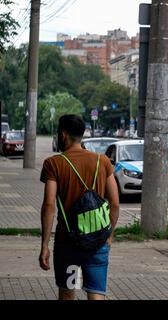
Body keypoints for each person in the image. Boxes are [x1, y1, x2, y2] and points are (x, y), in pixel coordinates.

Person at [39, 114, 120, 300]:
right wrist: (110, 234)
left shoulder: (54, 164)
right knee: (96, 293)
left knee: (67, 293)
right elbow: (114, 203)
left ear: (63, 134)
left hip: (67, 243)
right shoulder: (103, 161)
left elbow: (49, 206)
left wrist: (44, 245)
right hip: (98, 241)